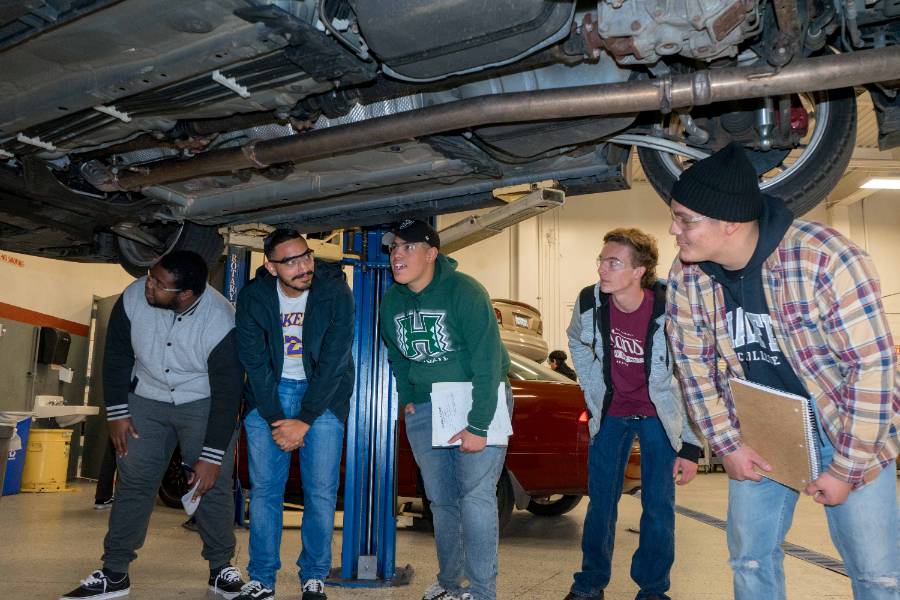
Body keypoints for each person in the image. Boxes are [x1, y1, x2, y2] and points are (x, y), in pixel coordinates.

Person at [665, 142, 900, 600]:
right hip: (764, 426)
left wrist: (848, 469)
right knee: (750, 560)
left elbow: (873, 369)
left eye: (686, 219)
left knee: (877, 575)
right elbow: (692, 367)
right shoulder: (688, 274)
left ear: (729, 221)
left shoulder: (824, 259)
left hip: (845, 422)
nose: (674, 230)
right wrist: (727, 445)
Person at [62, 251, 245, 600]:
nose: (148, 285)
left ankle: (221, 569)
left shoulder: (221, 319)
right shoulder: (133, 298)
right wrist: (117, 413)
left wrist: (211, 456)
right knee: (134, 480)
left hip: (201, 401)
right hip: (145, 398)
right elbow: (116, 356)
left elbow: (227, 392)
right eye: (150, 276)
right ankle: (115, 573)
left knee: (212, 485)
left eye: (159, 285)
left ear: (185, 294)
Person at [564, 228, 702, 600]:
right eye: (602, 260)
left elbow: (690, 374)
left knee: (658, 507)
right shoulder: (590, 302)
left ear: (639, 270)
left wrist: (691, 445)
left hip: (659, 415)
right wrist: (591, 380)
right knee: (600, 504)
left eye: (614, 262)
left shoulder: (669, 308)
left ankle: (653, 591)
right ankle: (590, 585)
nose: (602, 269)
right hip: (611, 413)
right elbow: (575, 338)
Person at [379, 219, 510, 600]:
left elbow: (488, 361)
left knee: (476, 496)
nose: (397, 255)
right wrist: (407, 397)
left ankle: (483, 592)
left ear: (432, 253)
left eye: (407, 247)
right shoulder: (393, 300)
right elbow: (396, 354)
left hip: (475, 399)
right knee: (441, 501)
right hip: (425, 407)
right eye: (393, 248)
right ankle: (450, 584)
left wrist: (479, 424)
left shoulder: (465, 291)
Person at [233, 229, 354, 600]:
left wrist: (305, 419)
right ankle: (262, 577)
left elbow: (335, 362)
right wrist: (275, 419)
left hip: (324, 396)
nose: (304, 267)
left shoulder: (334, 293)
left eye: (306, 256)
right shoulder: (254, 297)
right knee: (266, 491)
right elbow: (253, 362)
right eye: (291, 261)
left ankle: (314, 575)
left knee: (321, 491)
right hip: (269, 394)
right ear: (270, 266)